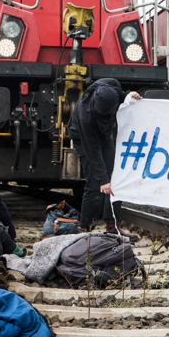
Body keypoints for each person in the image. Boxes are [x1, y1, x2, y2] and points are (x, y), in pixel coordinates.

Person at [67, 78, 140, 240]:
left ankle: (112, 227)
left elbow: (120, 94)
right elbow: (92, 151)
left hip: (104, 134)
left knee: (116, 177)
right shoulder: (85, 116)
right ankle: (83, 229)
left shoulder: (111, 86)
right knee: (94, 183)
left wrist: (129, 95)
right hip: (83, 138)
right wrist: (103, 180)